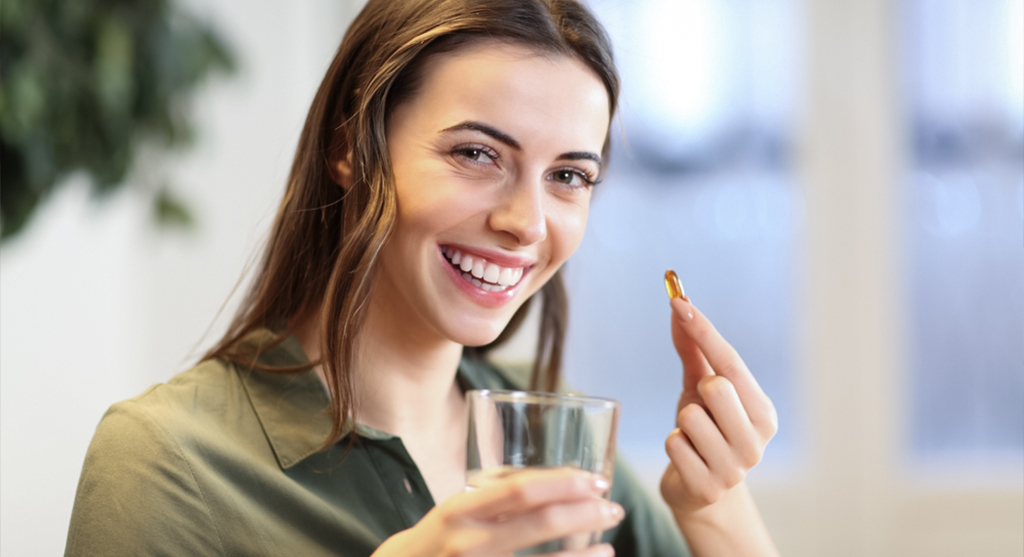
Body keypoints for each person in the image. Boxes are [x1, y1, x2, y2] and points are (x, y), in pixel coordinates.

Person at [65, 0, 779, 555]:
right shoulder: (168, 461)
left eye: (568, 174)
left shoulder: (548, 435)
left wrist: (710, 503)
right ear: (351, 148)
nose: (527, 222)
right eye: (476, 153)